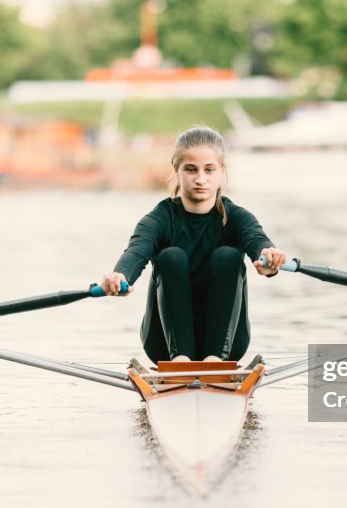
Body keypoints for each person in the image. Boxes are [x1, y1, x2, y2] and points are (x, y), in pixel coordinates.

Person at [100, 126, 287, 363]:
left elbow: (257, 241)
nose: (201, 179)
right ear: (176, 170)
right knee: (171, 257)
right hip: (162, 345)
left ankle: (215, 359)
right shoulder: (159, 219)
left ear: (221, 171)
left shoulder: (237, 217)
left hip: (229, 344)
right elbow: (136, 251)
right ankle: (180, 360)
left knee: (228, 256)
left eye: (209, 170)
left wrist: (269, 258)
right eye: (191, 169)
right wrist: (119, 276)